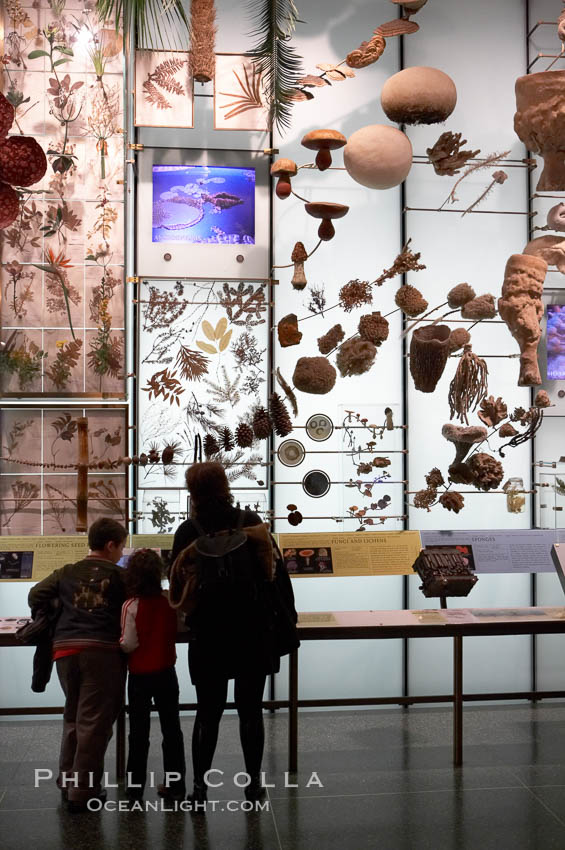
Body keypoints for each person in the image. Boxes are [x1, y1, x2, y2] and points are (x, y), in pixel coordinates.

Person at [170, 461, 295, 806]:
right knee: (250, 710)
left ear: (193, 491)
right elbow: (276, 576)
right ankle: (253, 786)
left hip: (209, 634)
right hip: (252, 630)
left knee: (207, 712)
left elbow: (176, 585)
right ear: (225, 485)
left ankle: (199, 789)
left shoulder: (188, 530)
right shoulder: (251, 524)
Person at [28, 517, 128, 813]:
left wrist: (60, 606)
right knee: (94, 722)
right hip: (102, 652)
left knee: (73, 715)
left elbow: (35, 594)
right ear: (111, 545)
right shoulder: (119, 576)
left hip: (65, 651)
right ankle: (83, 791)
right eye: (120, 547)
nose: (121, 553)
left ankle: (67, 779)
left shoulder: (66, 572)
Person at [120, 549, 185, 801]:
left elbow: (128, 643)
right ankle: (176, 785)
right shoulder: (169, 601)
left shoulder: (130, 605)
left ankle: (134, 788)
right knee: (172, 730)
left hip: (139, 676)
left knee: (138, 733)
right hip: (167, 672)